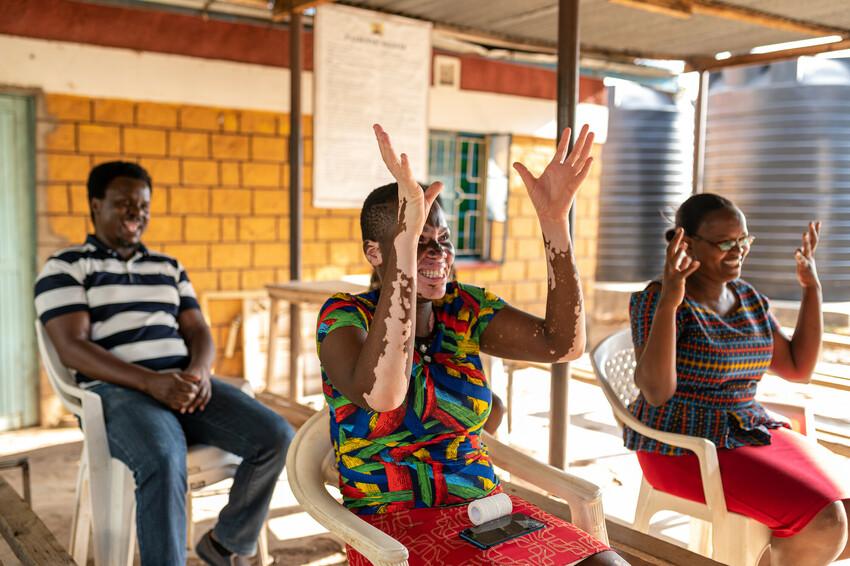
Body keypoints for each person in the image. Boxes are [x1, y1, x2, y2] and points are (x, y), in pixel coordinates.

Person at [316, 124, 625, 565]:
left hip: (487, 511)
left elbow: (564, 345)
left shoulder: (463, 308)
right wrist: (404, 253)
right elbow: (385, 396)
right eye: (417, 243)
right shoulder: (343, 316)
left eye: (443, 240)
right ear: (376, 252)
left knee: (607, 564)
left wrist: (555, 224)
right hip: (394, 527)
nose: (438, 254)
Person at [34, 161, 293, 566]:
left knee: (276, 435)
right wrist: (151, 383)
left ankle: (225, 543)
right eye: (123, 204)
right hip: (116, 394)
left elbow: (199, 332)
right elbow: (72, 347)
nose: (136, 214)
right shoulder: (66, 267)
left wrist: (198, 373)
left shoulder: (168, 267)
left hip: (181, 383)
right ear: (95, 204)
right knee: (163, 455)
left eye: (143, 206)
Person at [628, 193, 850, 566]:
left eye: (743, 240)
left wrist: (812, 288)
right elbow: (655, 392)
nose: (738, 251)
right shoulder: (658, 300)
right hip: (683, 443)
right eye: (724, 243)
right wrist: (671, 300)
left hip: (747, 428)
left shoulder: (747, 298)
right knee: (826, 522)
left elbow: (798, 368)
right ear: (686, 243)